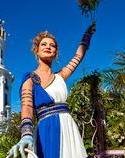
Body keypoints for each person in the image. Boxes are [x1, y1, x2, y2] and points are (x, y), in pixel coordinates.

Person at [7, 22, 96, 158]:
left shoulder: (60, 76)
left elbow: (78, 57)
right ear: (36, 50)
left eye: (52, 45)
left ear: (56, 53)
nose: (48, 46)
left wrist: (87, 35)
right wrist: (26, 134)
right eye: (44, 44)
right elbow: (27, 106)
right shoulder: (30, 79)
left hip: (68, 127)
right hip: (46, 130)